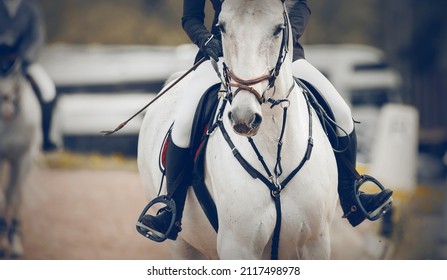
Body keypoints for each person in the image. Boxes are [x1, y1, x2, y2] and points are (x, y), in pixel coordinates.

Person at [137, 0, 393, 241]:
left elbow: (300, 4)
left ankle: (351, 196)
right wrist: (207, 41)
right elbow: (191, 18)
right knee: (183, 122)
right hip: (223, 56)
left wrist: (283, 37)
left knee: (341, 112)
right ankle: (172, 208)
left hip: (281, 56)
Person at [0, 0, 57, 151]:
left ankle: (46, 138)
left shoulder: (30, 9)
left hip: (22, 62)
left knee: (47, 90)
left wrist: (24, 58)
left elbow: (37, 37)